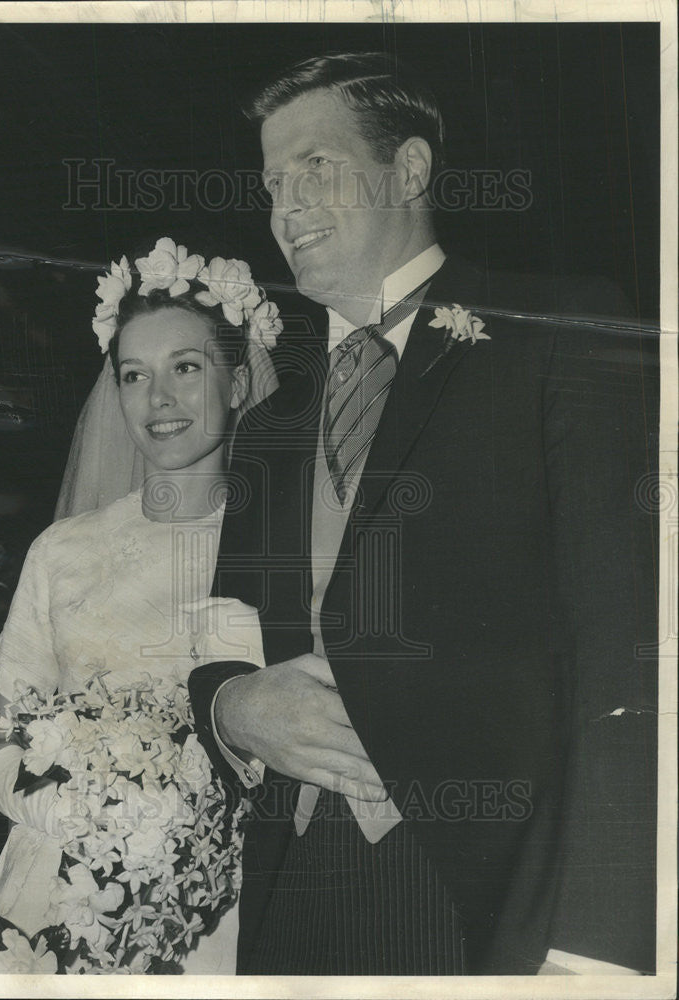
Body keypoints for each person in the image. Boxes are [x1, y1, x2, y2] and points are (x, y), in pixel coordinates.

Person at [188, 52, 659, 975]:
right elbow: (219, 642)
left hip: (490, 902)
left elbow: (627, 656)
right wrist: (236, 709)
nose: (286, 207)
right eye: (273, 184)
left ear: (408, 169)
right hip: (293, 897)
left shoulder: (558, 334)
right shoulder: (270, 420)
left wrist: (597, 944)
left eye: (315, 168)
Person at [0, 239, 280, 974]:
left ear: (236, 383)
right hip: (54, 893)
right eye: (134, 375)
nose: (158, 400)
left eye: (187, 369)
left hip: (213, 912)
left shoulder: (279, 553)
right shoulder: (63, 551)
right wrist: (69, 813)